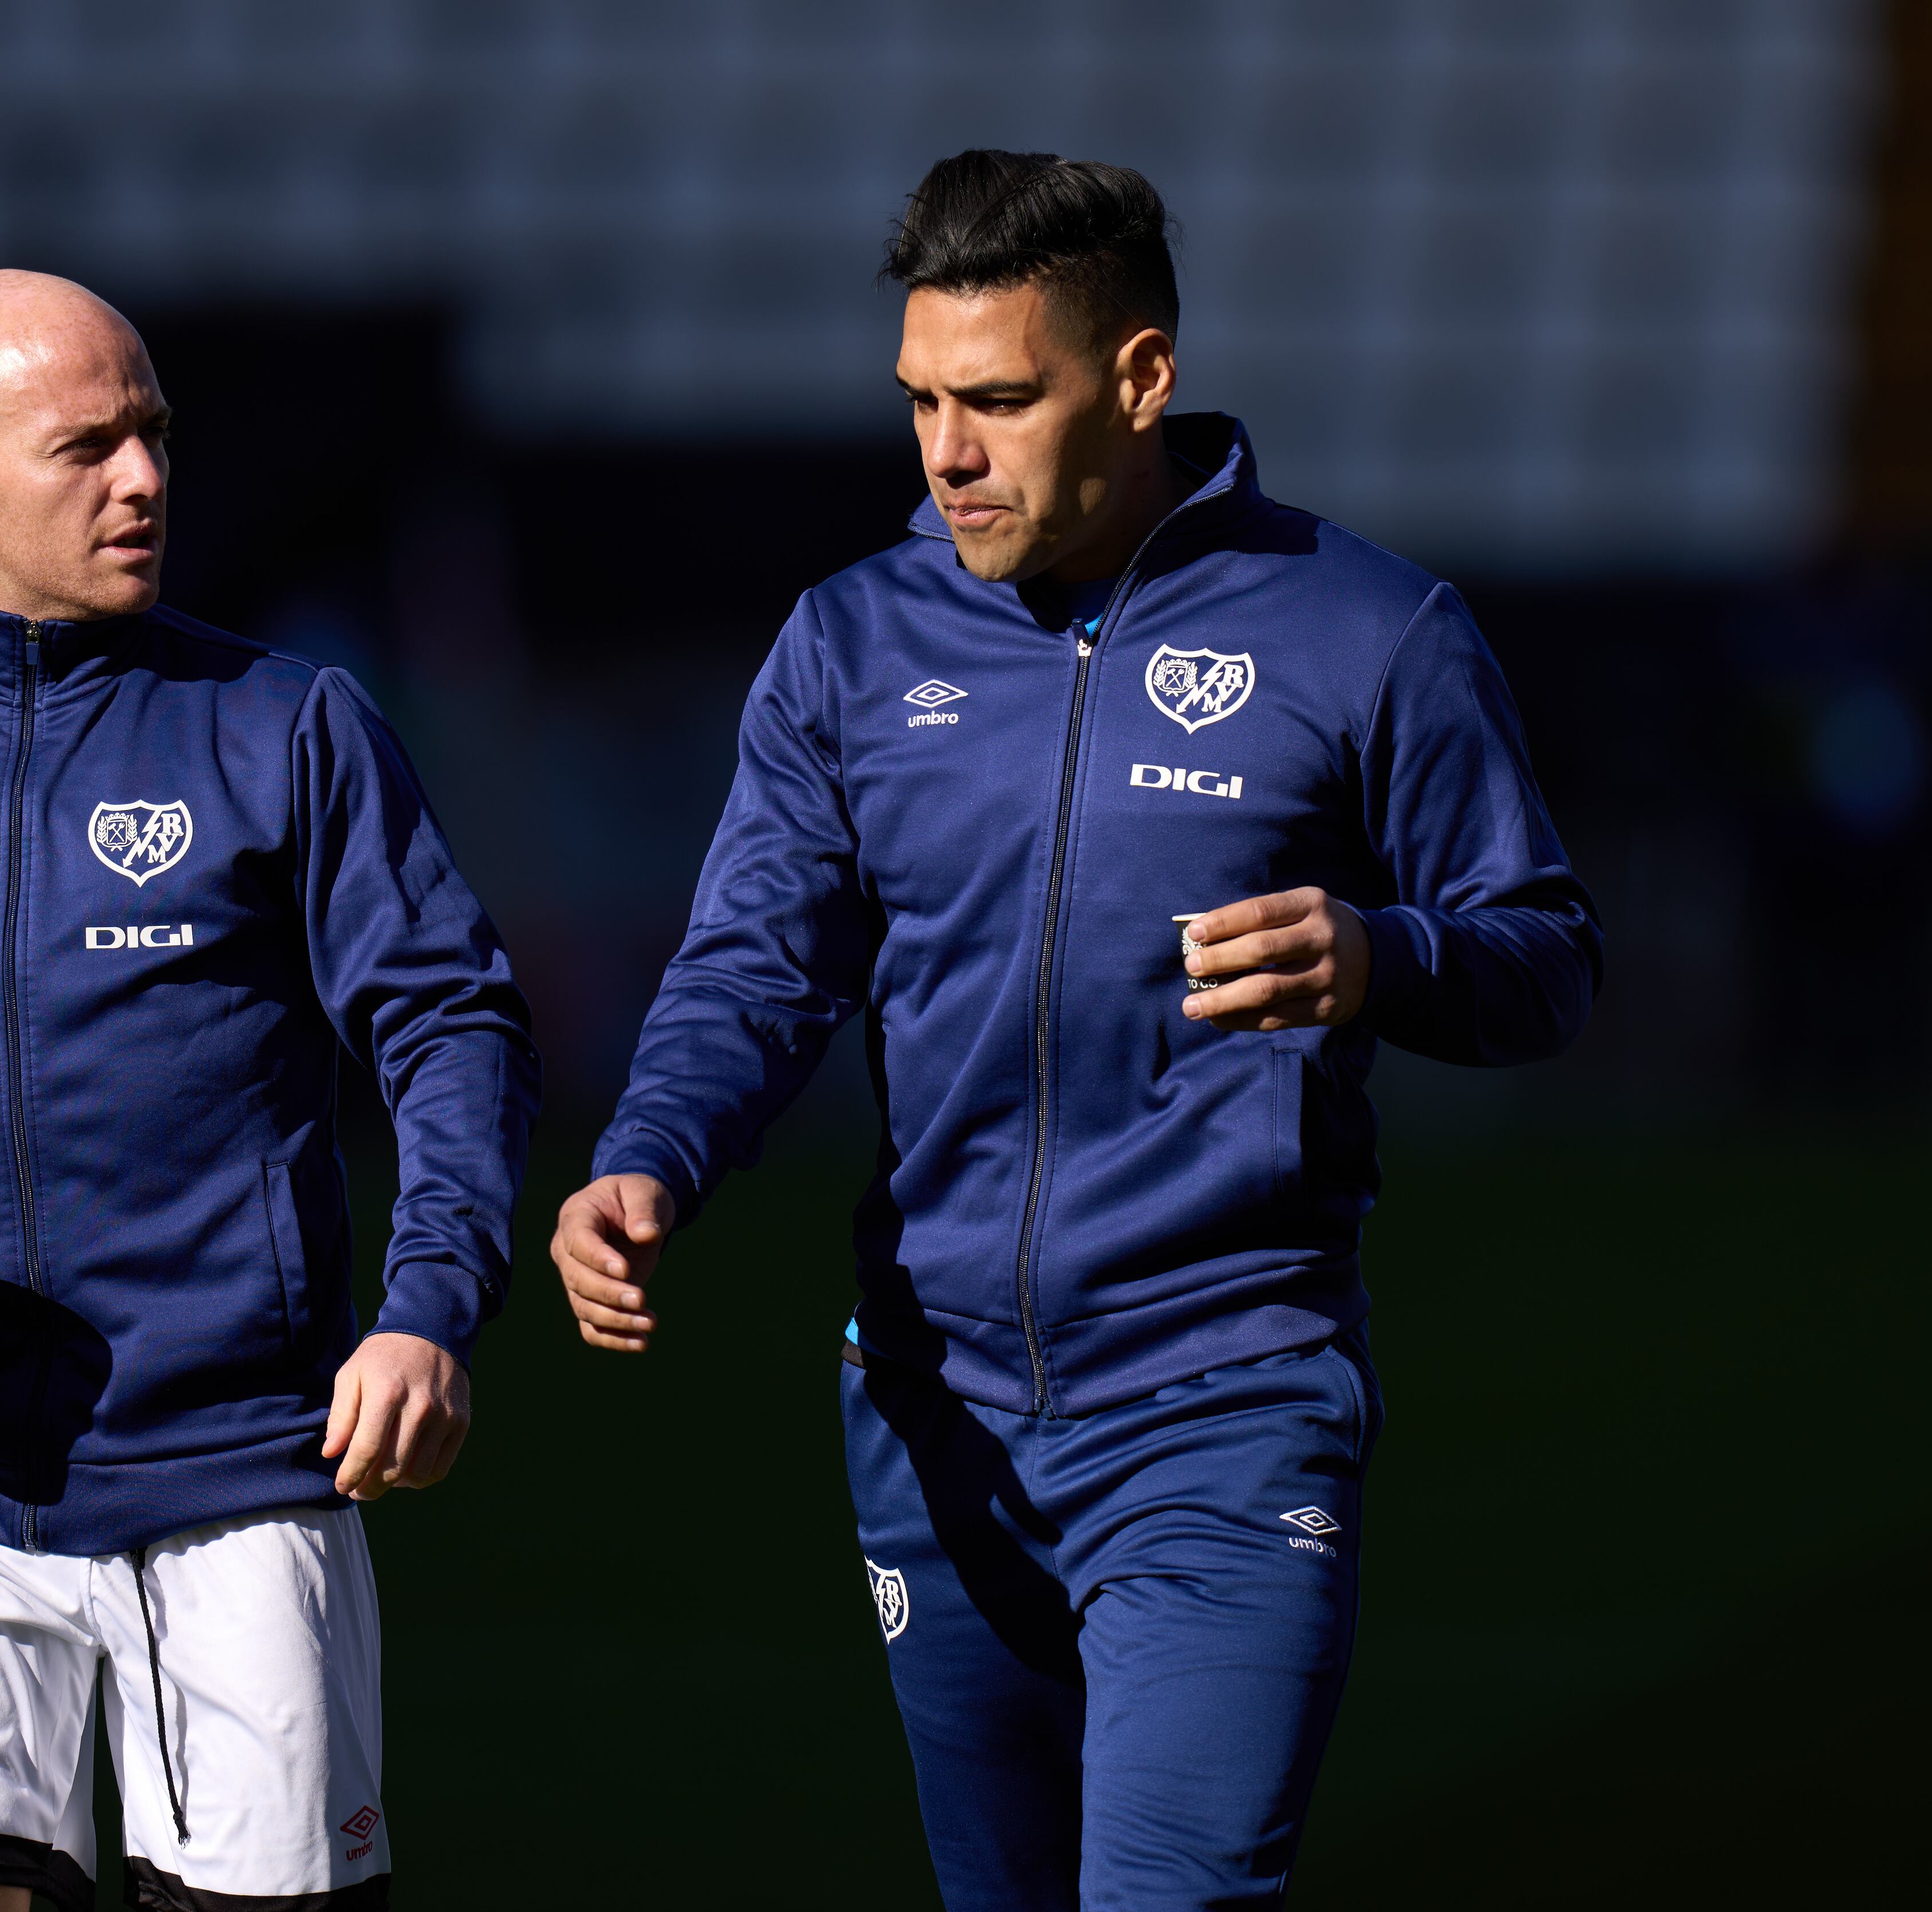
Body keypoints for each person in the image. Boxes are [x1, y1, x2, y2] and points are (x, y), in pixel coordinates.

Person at [550, 151, 1599, 1909]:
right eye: (922, 404)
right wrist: (647, 1158)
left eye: (1000, 402)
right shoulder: (852, 643)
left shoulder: (1370, 632)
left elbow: (1548, 960)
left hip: (1220, 1394)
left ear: (1140, 378)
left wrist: (1378, 954)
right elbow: (754, 964)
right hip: (930, 1413)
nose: (947, 454)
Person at [0, 270, 538, 1912]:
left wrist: (429, 1308)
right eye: (87, 446)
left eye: (154, 434)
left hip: (249, 1487)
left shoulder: (290, 726)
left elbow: (453, 1027)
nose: (145, 478)